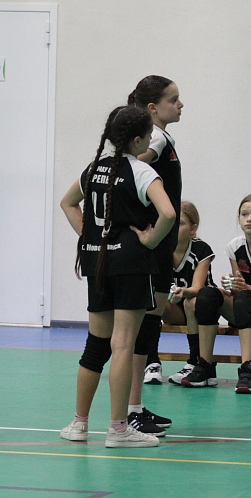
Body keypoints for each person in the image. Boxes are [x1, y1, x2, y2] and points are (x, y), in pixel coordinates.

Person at [59, 106, 176, 447]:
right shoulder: (141, 171)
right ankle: (119, 429)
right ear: (137, 139)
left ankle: (79, 424)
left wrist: (90, 235)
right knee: (123, 344)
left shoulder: (93, 169)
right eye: (149, 136)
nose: (151, 141)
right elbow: (168, 213)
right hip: (130, 264)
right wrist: (151, 239)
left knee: (96, 345)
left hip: (97, 263)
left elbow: (67, 203)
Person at [123, 76, 181, 434]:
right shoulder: (155, 138)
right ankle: (130, 409)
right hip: (151, 247)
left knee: (148, 326)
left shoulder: (163, 137)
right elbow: (132, 164)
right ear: (152, 108)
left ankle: (135, 406)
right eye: (173, 99)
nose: (180, 105)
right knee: (141, 328)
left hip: (160, 247)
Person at [185, 194, 251, 393]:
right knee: (207, 295)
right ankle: (205, 365)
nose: (249, 219)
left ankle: (247, 370)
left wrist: (244, 287)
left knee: (244, 297)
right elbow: (239, 288)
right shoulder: (235, 247)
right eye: (244, 214)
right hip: (246, 305)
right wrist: (231, 285)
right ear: (238, 218)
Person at [142, 201, 214, 385]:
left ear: (192, 229)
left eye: (180, 224)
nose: (174, 228)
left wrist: (183, 292)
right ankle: (151, 362)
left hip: (201, 308)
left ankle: (194, 361)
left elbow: (197, 288)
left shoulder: (201, 250)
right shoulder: (161, 249)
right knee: (150, 301)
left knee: (192, 302)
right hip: (175, 308)